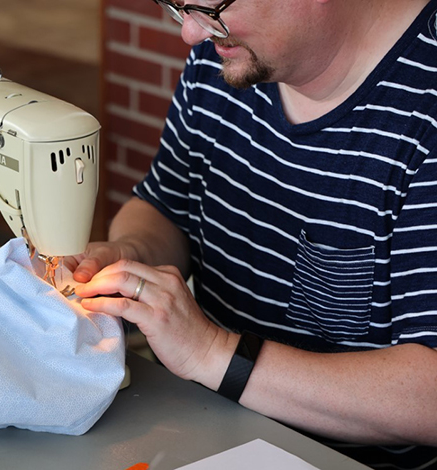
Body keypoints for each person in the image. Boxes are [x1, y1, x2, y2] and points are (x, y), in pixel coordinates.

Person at [69, 0, 437, 468]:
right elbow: (167, 206)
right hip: (194, 429)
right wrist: (129, 259)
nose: (192, 34)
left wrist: (213, 354)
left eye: (212, 8)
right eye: (178, 7)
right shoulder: (224, 55)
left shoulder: (424, 110)